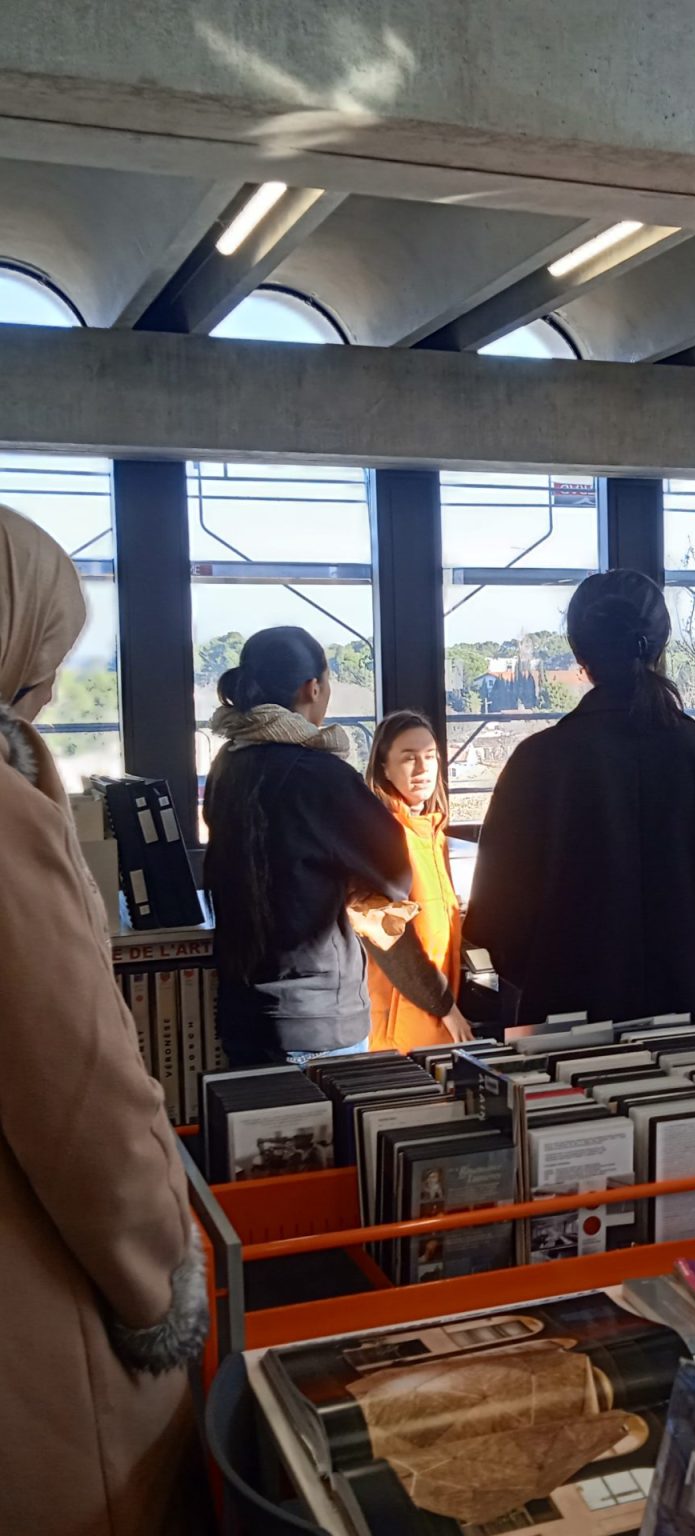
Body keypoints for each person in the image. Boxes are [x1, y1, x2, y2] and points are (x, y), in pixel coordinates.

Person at [0, 504, 208, 1534]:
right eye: (46, 653)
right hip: (35, 1305)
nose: (47, 686)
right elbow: (80, 1094)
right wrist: (163, 1285)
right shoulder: (3, 817)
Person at [466, 569, 695, 1023]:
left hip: (569, 1029)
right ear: (660, 645)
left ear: (579, 653)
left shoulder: (536, 764)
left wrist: (555, 973)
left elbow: (496, 921)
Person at [204, 626, 413, 1066]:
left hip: (244, 1006)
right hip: (315, 1016)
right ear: (312, 688)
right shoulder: (319, 773)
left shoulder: (228, 764)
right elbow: (395, 874)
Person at [365, 709, 473, 1051]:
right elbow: (391, 941)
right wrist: (445, 1007)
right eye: (409, 758)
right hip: (403, 1024)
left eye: (430, 756)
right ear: (384, 767)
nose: (423, 769)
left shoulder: (431, 835)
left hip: (436, 1013)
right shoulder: (382, 838)